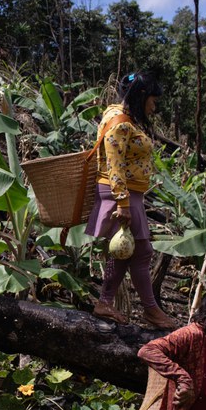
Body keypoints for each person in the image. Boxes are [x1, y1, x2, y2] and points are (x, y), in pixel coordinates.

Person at [85, 71, 176, 329]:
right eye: (153, 100)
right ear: (141, 95)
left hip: (127, 194)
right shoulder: (120, 122)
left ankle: (105, 302)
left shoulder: (122, 118)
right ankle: (151, 311)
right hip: (121, 194)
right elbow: (115, 164)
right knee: (143, 251)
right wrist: (123, 203)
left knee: (126, 253)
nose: (154, 106)